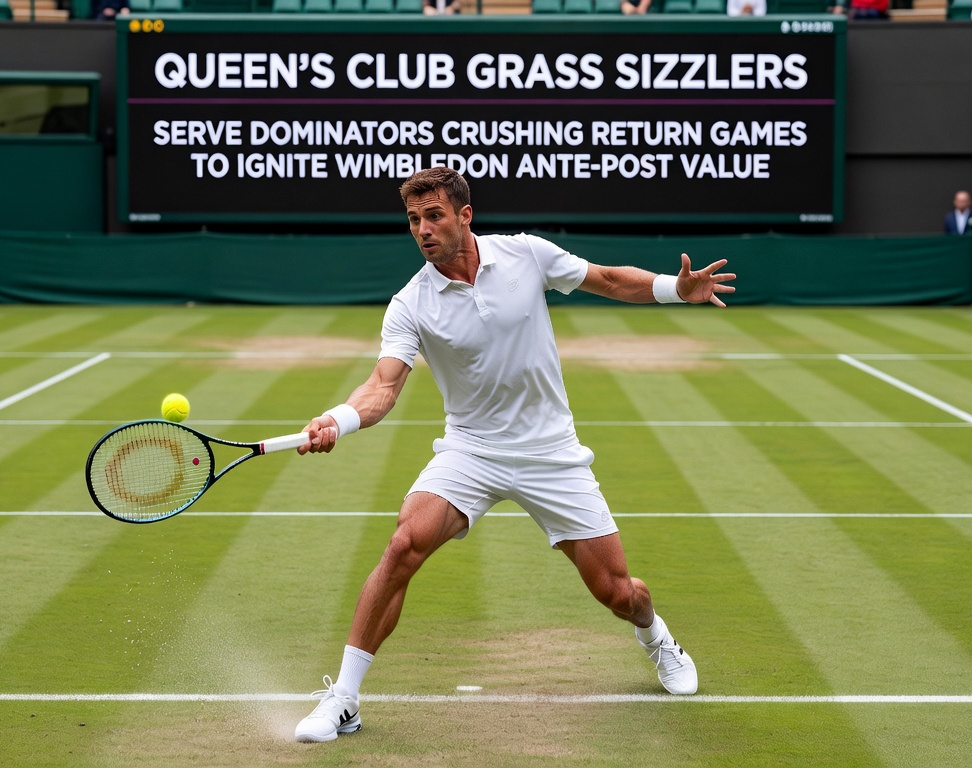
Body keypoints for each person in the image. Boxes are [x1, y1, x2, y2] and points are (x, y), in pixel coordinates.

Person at [291, 167, 736, 743]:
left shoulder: (525, 254)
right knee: (403, 544)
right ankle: (344, 699)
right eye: (414, 219)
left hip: (550, 453)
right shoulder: (410, 303)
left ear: (464, 215)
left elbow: (606, 279)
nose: (422, 229)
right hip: (471, 450)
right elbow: (382, 386)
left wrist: (676, 289)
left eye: (434, 216)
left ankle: (656, 637)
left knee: (619, 592)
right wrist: (339, 419)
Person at [944, 190, 972, 292]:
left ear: (969, 202)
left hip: (971, 254)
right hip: (954, 254)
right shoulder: (948, 218)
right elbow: (947, 235)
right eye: (959, 201)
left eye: (964, 201)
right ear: (955, 202)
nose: (962, 203)